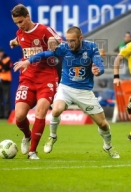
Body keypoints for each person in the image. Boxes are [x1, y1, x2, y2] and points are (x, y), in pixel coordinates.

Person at [14, 26, 120, 159]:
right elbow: (44, 54)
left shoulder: (91, 47)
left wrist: (97, 70)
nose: (70, 44)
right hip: (66, 88)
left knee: (103, 124)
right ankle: (52, 136)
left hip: (84, 91)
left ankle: (108, 146)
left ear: (81, 38)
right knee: (56, 109)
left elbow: (100, 65)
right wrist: (28, 61)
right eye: (68, 40)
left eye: (73, 41)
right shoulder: (64, 48)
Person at [10, 4, 61, 159]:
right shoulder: (20, 33)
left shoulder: (44, 29)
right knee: (19, 116)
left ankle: (32, 151)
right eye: (16, 23)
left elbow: (59, 40)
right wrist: (13, 42)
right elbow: (20, 39)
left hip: (47, 78)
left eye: (21, 21)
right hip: (27, 79)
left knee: (41, 111)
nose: (19, 25)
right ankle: (27, 135)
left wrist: (54, 40)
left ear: (28, 17)